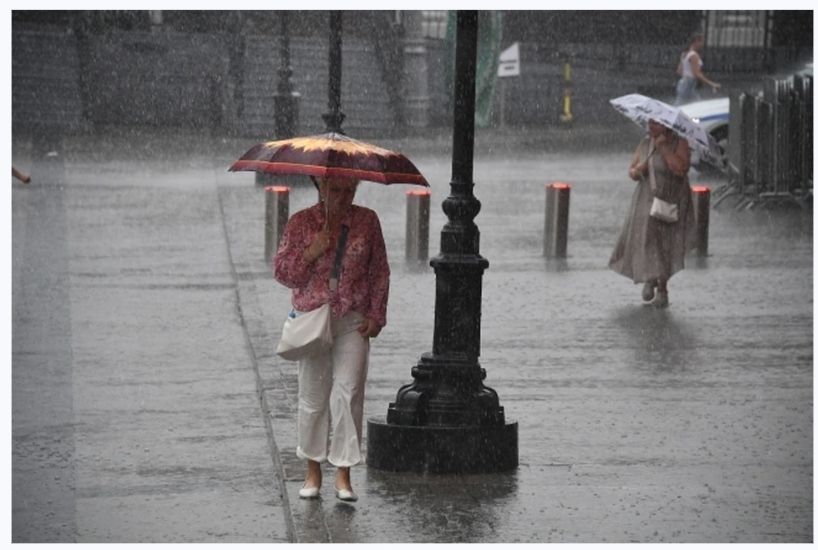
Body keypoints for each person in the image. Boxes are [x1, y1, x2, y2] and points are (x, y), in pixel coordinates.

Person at [273, 175, 389, 502]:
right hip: (313, 319)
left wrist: (377, 315)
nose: (343, 196)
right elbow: (283, 272)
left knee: (349, 393)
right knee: (313, 395)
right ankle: (312, 470)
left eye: (349, 189)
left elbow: (379, 270)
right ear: (321, 187)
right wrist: (311, 251)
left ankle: (343, 473)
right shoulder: (301, 222)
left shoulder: (367, 221)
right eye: (336, 189)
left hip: (352, 319)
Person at [609, 119, 696, 308]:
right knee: (648, 239)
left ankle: (663, 288)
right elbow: (631, 171)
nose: (651, 128)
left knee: (665, 243)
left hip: (671, 198)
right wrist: (637, 171)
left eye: (655, 124)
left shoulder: (679, 143)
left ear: (666, 125)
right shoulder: (645, 143)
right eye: (649, 124)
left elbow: (680, 169)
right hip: (646, 199)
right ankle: (650, 278)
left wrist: (664, 148)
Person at [674, 33, 721, 106]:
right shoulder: (694, 55)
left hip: (683, 83)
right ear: (696, 41)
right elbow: (697, 74)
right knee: (697, 106)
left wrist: (686, 76)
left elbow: (679, 71)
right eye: (701, 42)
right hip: (689, 84)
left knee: (682, 106)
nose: (702, 45)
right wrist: (712, 84)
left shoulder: (684, 54)